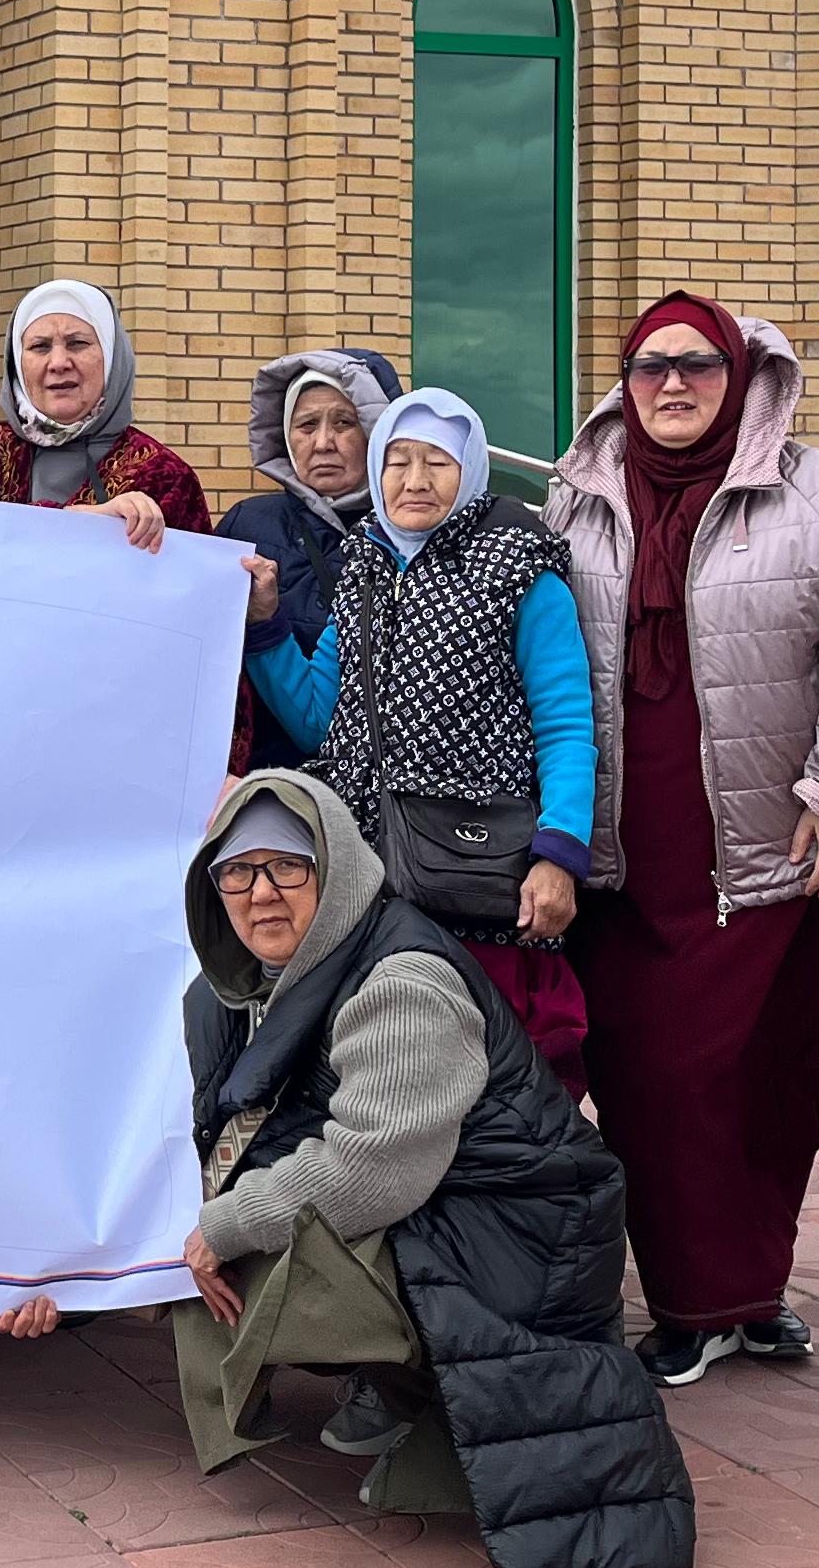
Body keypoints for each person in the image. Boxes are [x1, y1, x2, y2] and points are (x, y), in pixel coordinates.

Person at [0, 774, 693, 1568]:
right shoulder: (236, 991)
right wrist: (86, 1278)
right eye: (237, 873)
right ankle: (398, 1384)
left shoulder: (400, 983)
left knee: (260, 1243)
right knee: (228, 1235)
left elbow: (370, 1168)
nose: (261, 895)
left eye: (288, 868)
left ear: (339, 868)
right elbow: (202, 1146)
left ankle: (412, 1385)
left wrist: (220, 1231)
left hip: (526, 1235)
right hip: (448, 1209)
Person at [548, 295, 819, 1386]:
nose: (675, 386)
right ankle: (693, 1304)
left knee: (769, 1082)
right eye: (652, 369)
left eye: (698, 366)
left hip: (767, 845)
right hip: (625, 857)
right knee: (657, 1076)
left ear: (740, 377)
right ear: (625, 384)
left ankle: (752, 1290)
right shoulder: (576, 496)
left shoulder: (817, 492)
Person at [247, 388, 597, 1103]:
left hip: (476, 872)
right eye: (398, 461)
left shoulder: (520, 571)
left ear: (468, 470)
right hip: (370, 878)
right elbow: (320, 719)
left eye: (436, 462)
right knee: (386, 1075)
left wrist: (559, 854)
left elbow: (564, 720)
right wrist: (266, 627)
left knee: (493, 1074)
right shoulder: (365, 571)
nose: (414, 480)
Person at [0, 282, 211, 539]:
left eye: (78, 343)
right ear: (17, 364)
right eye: (40, 347)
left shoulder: (164, 474)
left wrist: (252, 594)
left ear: (112, 357)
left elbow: (196, 585)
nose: (59, 362)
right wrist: (81, 519)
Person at [225, 347, 398, 764]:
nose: (323, 443)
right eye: (306, 425)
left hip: (394, 790)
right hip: (268, 779)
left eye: (344, 423)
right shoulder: (247, 526)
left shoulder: (411, 532)